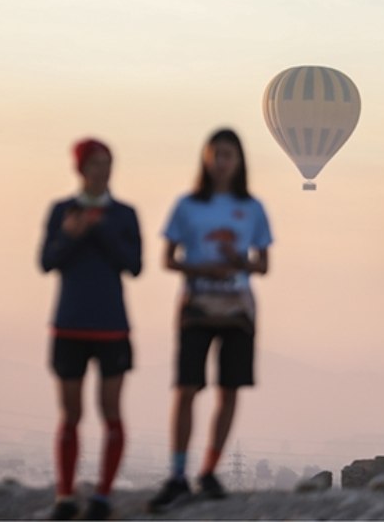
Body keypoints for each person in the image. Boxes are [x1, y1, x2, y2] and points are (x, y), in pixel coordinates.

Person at [148, 128, 273, 512]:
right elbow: (167, 258)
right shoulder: (187, 206)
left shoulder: (253, 208)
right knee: (187, 387)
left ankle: (209, 470)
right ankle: (177, 473)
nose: (221, 162)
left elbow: (263, 265)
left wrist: (239, 263)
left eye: (228, 155)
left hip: (238, 310)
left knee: (229, 389)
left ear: (239, 161)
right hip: (197, 306)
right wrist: (201, 268)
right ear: (205, 158)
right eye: (216, 154)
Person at [39, 138, 142, 521]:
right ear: (80, 168)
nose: (104, 170)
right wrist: (71, 233)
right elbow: (47, 261)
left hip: (112, 326)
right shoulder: (61, 211)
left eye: (108, 162)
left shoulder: (124, 214)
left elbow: (134, 264)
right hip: (69, 325)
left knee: (111, 411)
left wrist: (99, 231)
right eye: (97, 163)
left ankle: (102, 496)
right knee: (70, 414)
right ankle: (65, 495)